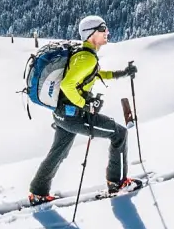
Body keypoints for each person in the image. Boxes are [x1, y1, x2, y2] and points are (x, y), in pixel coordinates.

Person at [29, 15, 140, 205]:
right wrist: (86, 104)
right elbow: (67, 84)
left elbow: (93, 74)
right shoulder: (86, 58)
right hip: (75, 116)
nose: (107, 32)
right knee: (119, 134)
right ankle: (118, 183)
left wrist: (121, 73)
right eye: (102, 29)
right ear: (91, 34)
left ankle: (38, 192)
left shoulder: (83, 54)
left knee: (58, 152)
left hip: (62, 113)